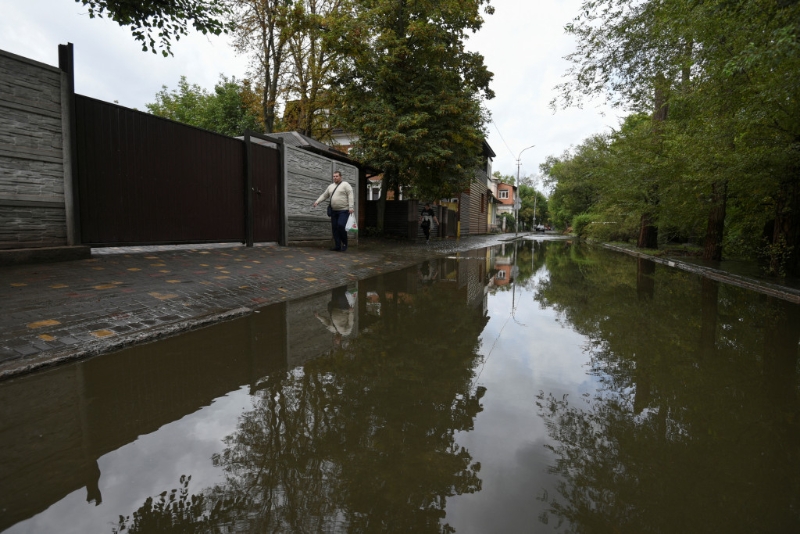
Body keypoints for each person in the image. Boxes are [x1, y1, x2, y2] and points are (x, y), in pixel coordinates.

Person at [313, 170, 354, 252]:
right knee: (335, 228)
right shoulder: (330, 186)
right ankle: (337, 245)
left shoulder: (345, 185)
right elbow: (325, 195)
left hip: (344, 210)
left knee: (341, 225)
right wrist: (317, 201)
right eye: (334, 176)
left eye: (337, 176)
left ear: (340, 177)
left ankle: (345, 243)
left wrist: (351, 207)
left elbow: (350, 195)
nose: (335, 178)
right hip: (334, 211)